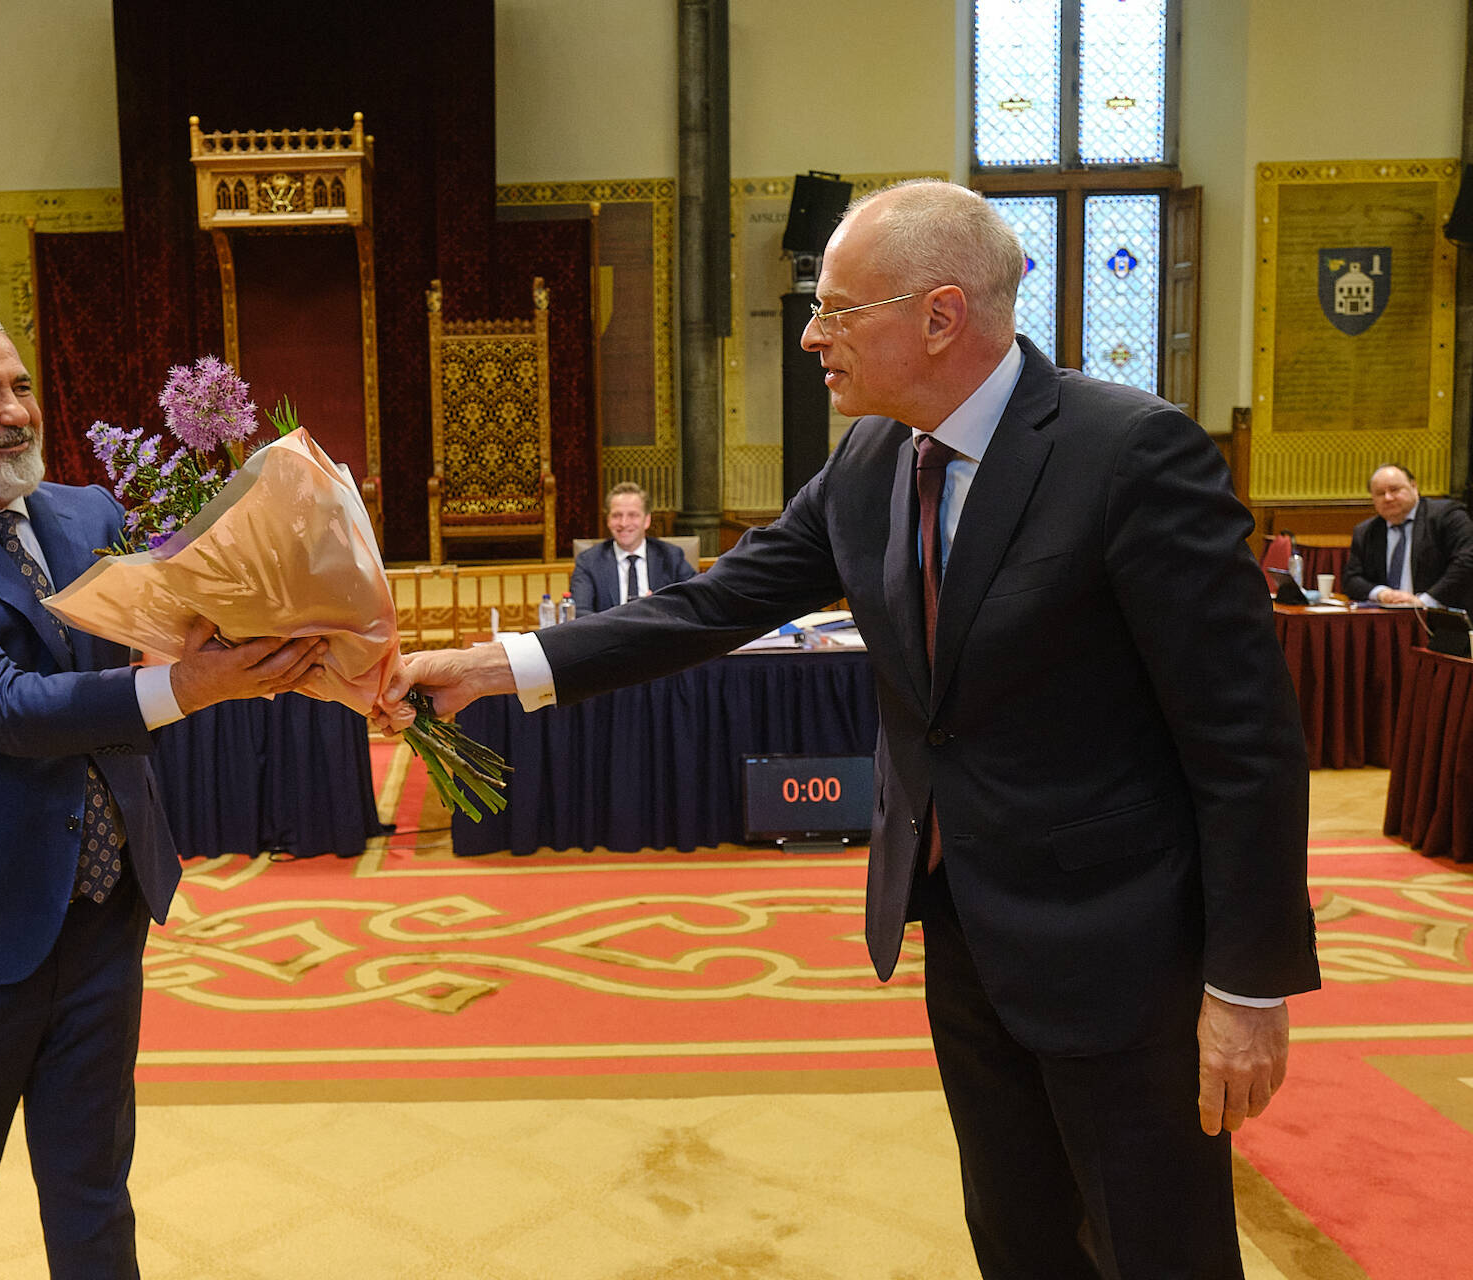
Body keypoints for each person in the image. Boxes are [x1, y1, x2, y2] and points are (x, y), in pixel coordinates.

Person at [381, 181, 1318, 1279]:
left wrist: (1248, 986)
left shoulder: (1130, 454)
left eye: (835, 310)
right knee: (1018, 1239)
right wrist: (495, 668)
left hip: (1124, 954)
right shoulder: (872, 463)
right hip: (964, 935)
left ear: (940, 316)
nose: (811, 337)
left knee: (1157, 1251)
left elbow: (1245, 738)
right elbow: (711, 604)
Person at [0, 312, 324, 1280]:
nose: (16, 412)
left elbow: (166, 632)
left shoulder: (88, 517)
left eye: (20, 385)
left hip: (101, 907)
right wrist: (193, 686)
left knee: (94, 1192)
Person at [1340, 463, 1473, 608]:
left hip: (1441, 614)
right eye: (1380, 493)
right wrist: (1382, 593)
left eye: (1394, 490)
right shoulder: (1365, 531)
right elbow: (1351, 579)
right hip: (1386, 616)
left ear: (1414, 487)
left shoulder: (1447, 516)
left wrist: (1424, 602)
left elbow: (1466, 562)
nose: (1388, 498)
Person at [568, 481, 697, 612]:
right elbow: (580, 612)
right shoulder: (589, 561)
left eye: (632, 515)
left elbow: (695, 600)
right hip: (609, 626)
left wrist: (659, 608)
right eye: (616, 516)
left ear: (647, 520)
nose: (624, 523)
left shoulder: (671, 556)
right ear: (608, 521)